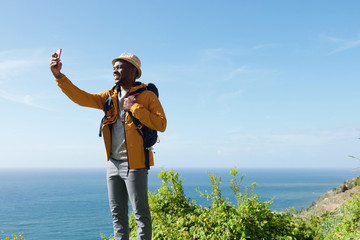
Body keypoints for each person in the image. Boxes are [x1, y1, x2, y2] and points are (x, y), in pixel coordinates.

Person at [49, 52, 167, 240]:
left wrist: (134, 107)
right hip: (112, 164)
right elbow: (81, 97)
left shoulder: (146, 96)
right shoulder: (109, 97)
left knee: (141, 215)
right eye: (114, 67)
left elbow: (161, 124)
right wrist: (58, 76)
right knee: (117, 214)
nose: (115, 69)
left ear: (133, 71)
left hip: (135, 164)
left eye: (120, 66)